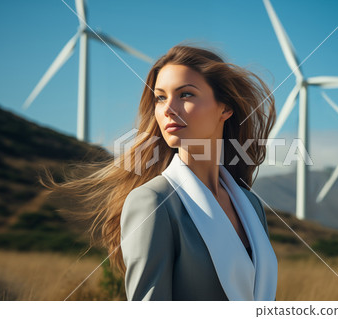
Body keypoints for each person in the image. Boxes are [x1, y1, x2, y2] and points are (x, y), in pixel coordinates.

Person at [41, 43, 278, 301]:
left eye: (185, 95)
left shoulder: (251, 205)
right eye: (160, 97)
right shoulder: (153, 202)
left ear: (225, 108)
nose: (168, 109)